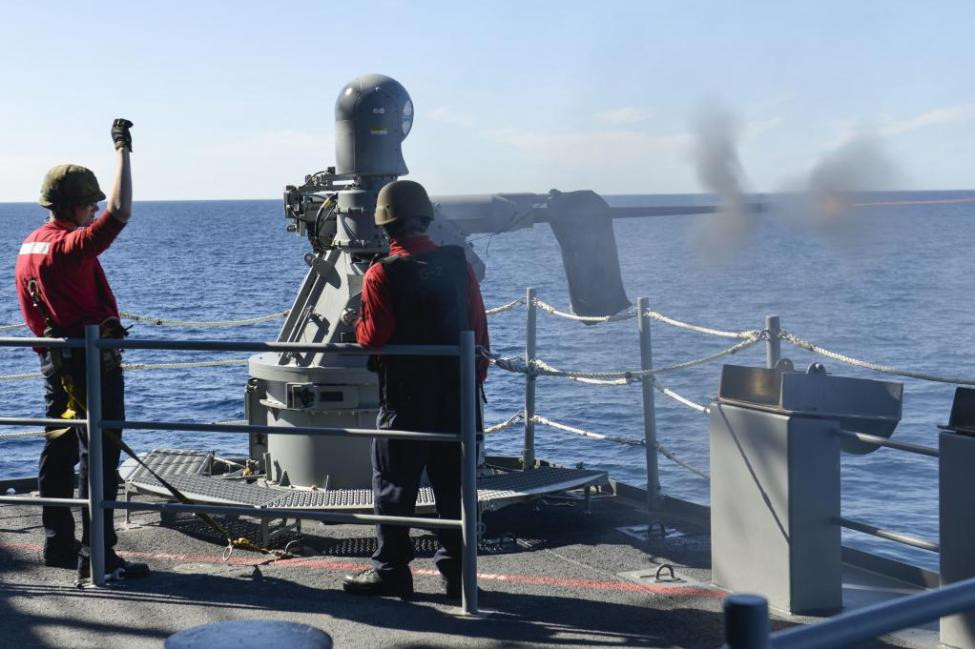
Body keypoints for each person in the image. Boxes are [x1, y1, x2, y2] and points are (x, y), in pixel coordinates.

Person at [15, 119, 149, 581]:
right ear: (73, 206)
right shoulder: (67, 248)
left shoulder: (30, 245)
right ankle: (99, 555)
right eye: (89, 204)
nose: (94, 210)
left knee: (58, 448)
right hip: (91, 367)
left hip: (55, 363)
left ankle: (58, 543)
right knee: (100, 457)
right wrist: (122, 150)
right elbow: (120, 213)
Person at [343, 179, 489, 599]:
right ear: (426, 219)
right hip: (457, 393)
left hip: (406, 398)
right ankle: (457, 574)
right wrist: (474, 381)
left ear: (385, 226)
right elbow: (478, 328)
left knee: (395, 484)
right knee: (455, 485)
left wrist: (357, 323)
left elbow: (374, 337)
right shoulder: (458, 264)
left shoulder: (381, 273)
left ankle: (391, 571)